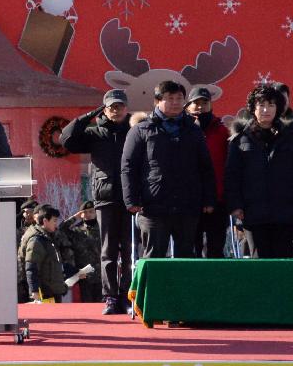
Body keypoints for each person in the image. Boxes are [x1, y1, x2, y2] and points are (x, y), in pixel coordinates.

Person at [121, 81, 216, 259]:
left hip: (187, 205)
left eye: (179, 98)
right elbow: (128, 167)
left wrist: (209, 199)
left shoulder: (193, 131)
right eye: (170, 98)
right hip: (153, 205)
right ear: (157, 101)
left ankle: (184, 288)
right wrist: (131, 199)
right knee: (154, 257)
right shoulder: (141, 130)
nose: (175, 102)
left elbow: (205, 167)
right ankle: (153, 288)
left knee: (186, 258)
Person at [61, 88, 132, 314]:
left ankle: (127, 294)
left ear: (126, 108)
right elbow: (66, 139)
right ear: (104, 108)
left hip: (132, 198)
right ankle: (111, 297)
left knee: (129, 250)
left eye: (120, 106)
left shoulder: (135, 130)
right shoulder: (94, 132)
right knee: (108, 251)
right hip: (105, 198)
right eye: (111, 106)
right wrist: (88, 116)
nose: (116, 110)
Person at [224, 85, 293, 258]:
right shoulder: (240, 138)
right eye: (261, 105)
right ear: (253, 108)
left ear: (278, 108)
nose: (266, 110)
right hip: (253, 212)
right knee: (259, 261)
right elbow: (232, 175)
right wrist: (235, 205)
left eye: (271, 105)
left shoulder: (291, 138)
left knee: (283, 260)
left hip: (286, 211)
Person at [185, 86, 231, 258]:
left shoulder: (222, 131)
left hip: (218, 199)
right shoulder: (182, 129)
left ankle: (217, 283)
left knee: (216, 249)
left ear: (211, 106)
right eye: (196, 103)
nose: (200, 107)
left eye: (204, 103)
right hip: (190, 200)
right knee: (191, 250)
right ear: (188, 106)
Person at [20, 205, 70, 303]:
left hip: (52, 290)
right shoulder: (36, 240)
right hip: (44, 293)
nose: (56, 224)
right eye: (54, 221)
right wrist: (34, 291)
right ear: (45, 221)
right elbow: (31, 267)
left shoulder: (47, 237)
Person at [62, 201, 102, 303]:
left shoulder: (102, 228)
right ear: (81, 214)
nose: (88, 214)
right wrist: (75, 218)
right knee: (87, 304)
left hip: (101, 274)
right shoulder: (76, 230)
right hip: (84, 275)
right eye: (85, 212)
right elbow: (61, 230)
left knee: (101, 305)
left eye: (91, 211)